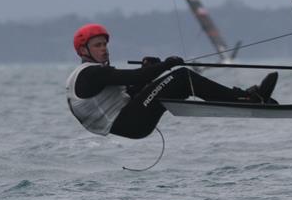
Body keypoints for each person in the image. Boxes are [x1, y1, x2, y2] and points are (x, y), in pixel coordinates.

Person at [66, 23, 278, 139]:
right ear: (84, 51)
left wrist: (148, 69)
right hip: (129, 123)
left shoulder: (97, 73)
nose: (103, 49)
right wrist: (164, 65)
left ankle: (247, 99)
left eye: (104, 44)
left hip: (128, 120)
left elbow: (131, 89)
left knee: (179, 80)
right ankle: (248, 98)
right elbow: (134, 78)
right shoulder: (91, 74)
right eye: (97, 45)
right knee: (181, 76)